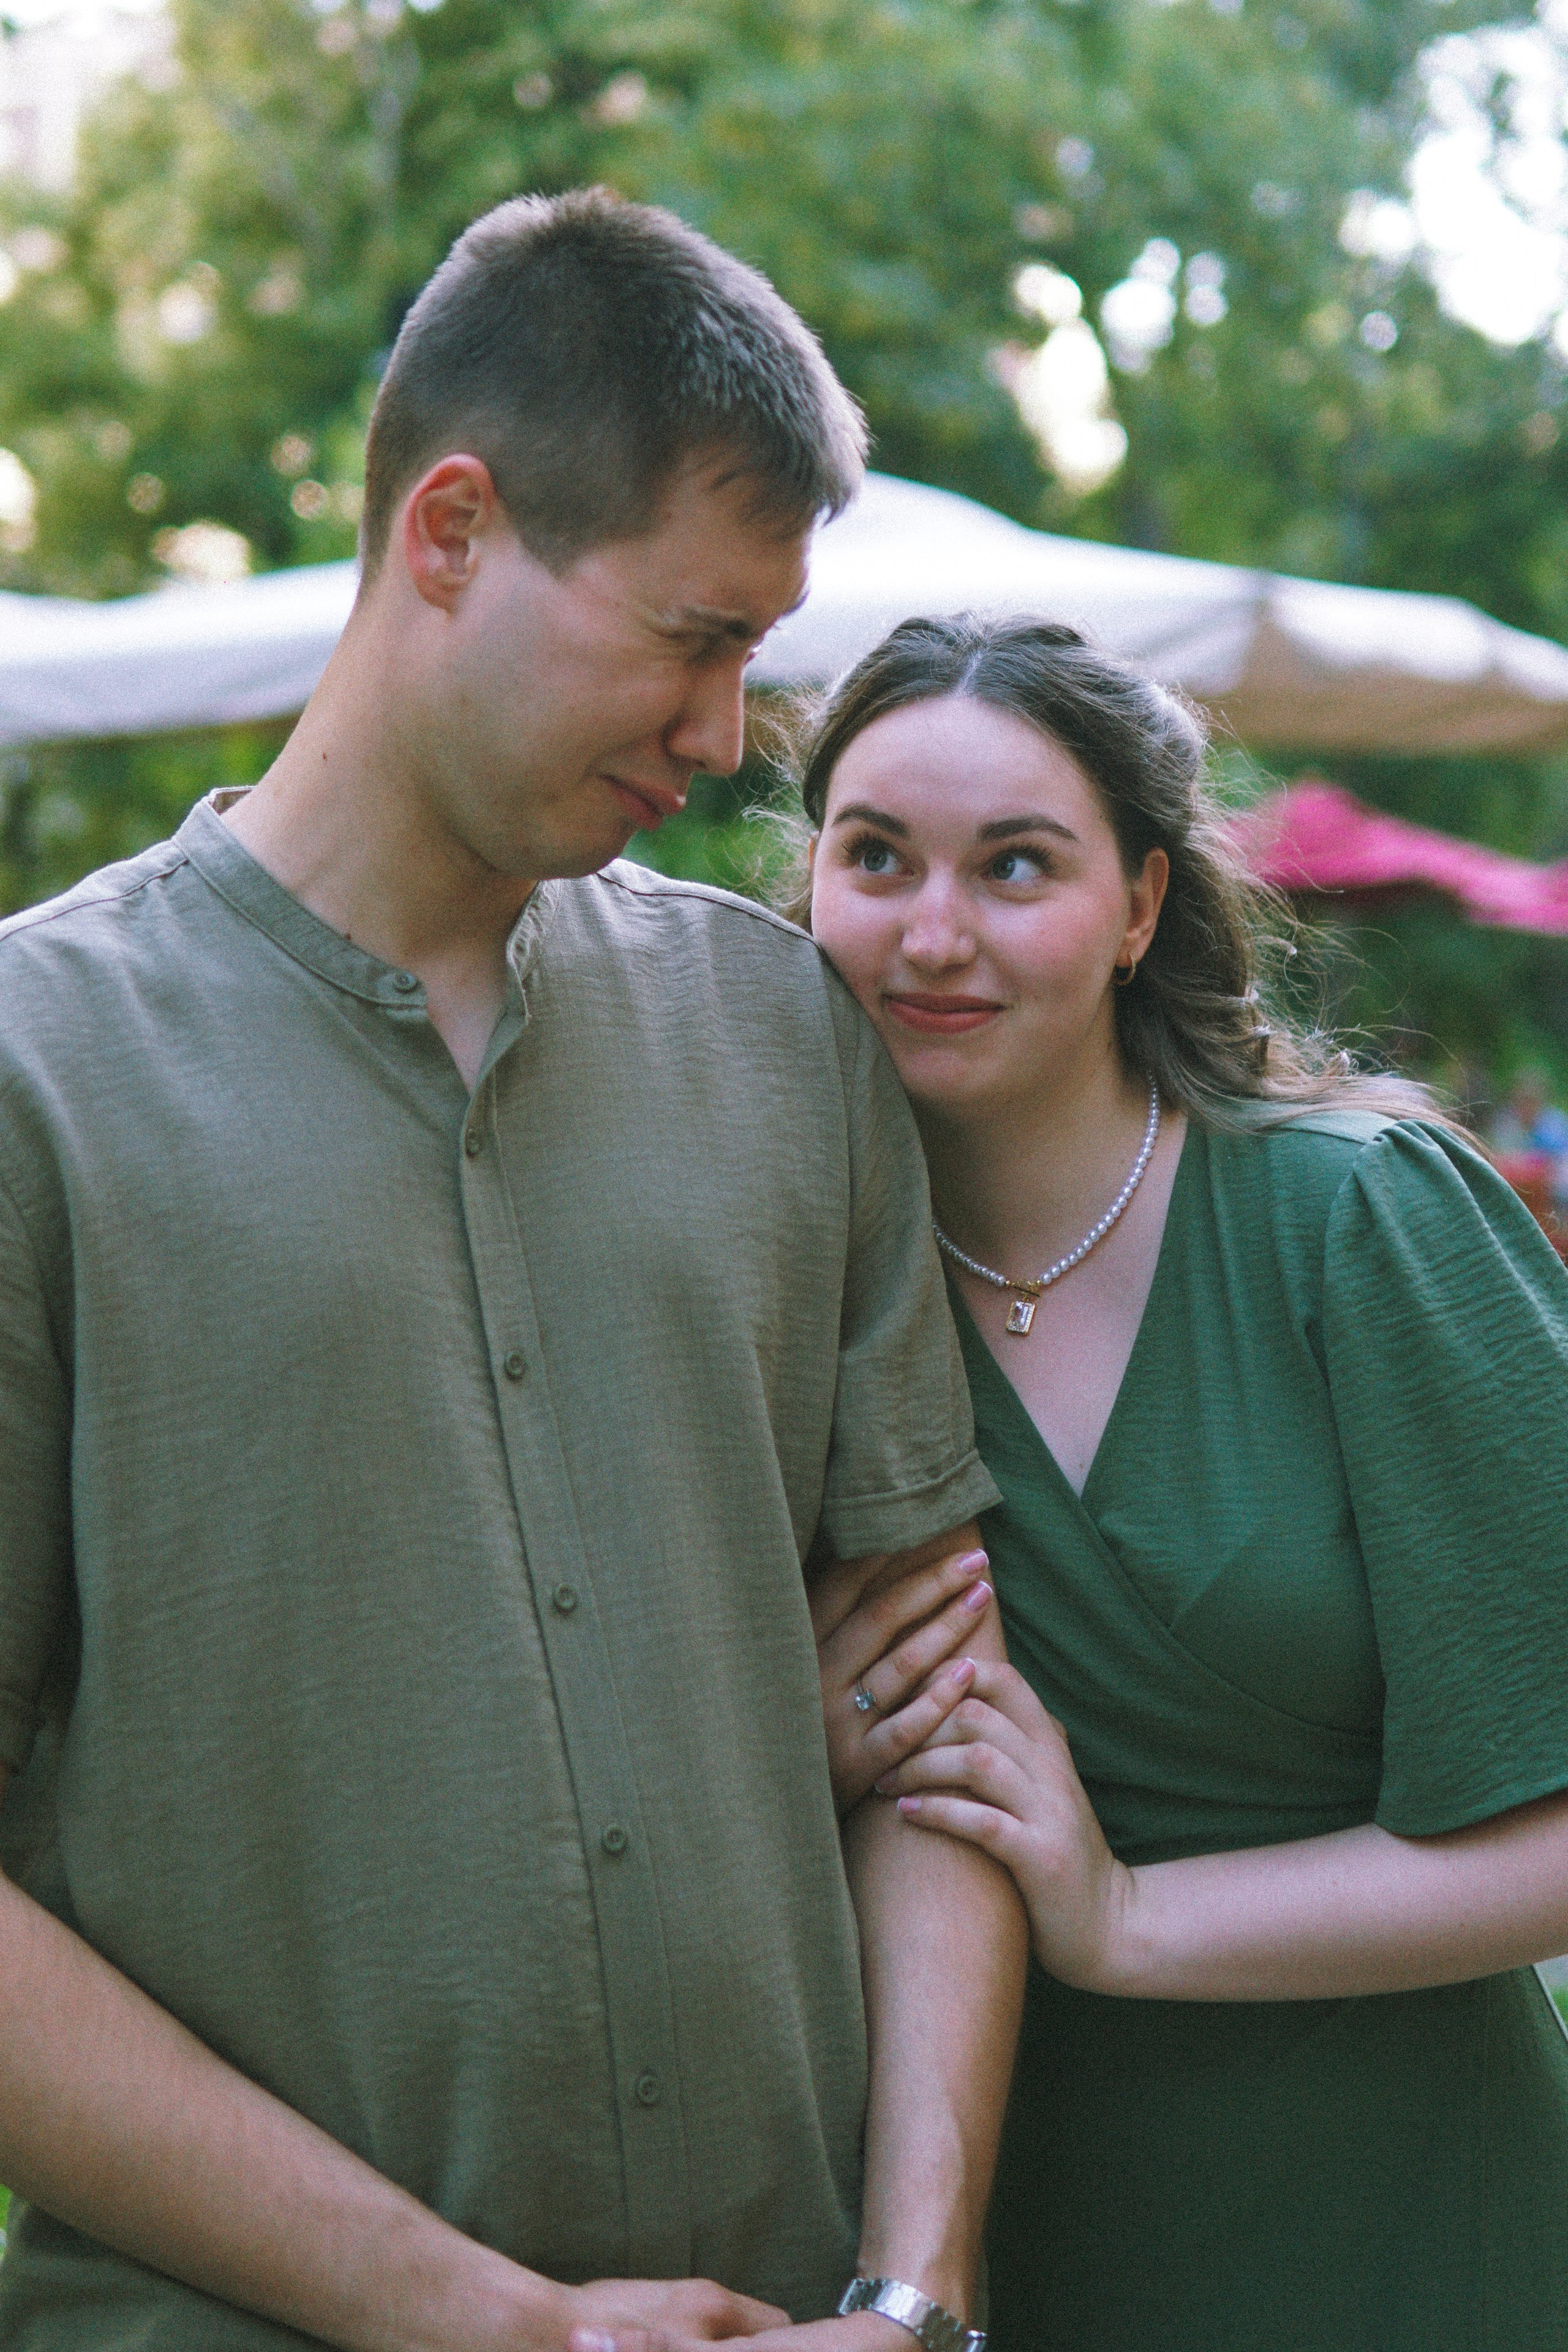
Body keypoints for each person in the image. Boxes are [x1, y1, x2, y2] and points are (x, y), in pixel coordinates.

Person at [0, 198, 1028, 2352]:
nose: (730, 734)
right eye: (693, 637)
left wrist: (910, 2294)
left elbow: (949, 1734)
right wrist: (486, 2318)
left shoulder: (788, 1035)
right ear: (452, 532)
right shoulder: (38, 1073)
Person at [794, 615, 1568, 2352]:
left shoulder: (1361, 1216)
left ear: (1141, 906)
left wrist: (1131, 1918)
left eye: (1016, 865)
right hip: (1003, 2226)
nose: (933, 932)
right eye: (876, 857)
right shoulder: (794, 1284)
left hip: (1407, 2224)